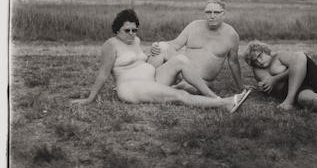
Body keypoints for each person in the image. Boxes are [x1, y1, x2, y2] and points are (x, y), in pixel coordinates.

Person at [71, 9, 251, 113]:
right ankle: (225, 103)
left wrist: (152, 53)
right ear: (117, 30)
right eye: (127, 31)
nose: (132, 34)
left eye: (135, 30)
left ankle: (212, 96)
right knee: (180, 96)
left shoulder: (135, 40)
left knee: (181, 59)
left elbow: (141, 61)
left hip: (152, 78)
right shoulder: (110, 45)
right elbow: (103, 74)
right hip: (133, 87)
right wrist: (89, 99)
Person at [150, 0, 244, 96]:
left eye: (216, 12)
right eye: (208, 12)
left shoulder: (231, 35)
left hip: (201, 80)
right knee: (161, 47)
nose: (212, 16)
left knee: (187, 87)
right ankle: (146, 79)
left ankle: (164, 89)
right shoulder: (194, 26)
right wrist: (156, 45)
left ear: (223, 14)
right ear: (204, 13)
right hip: (181, 71)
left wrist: (240, 86)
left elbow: (233, 62)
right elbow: (175, 44)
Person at [243, 40, 317, 112]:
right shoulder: (257, 70)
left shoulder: (279, 56)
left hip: (310, 78)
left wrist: (275, 79)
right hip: (300, 89)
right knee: (305, 99)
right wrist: (260, 88)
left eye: (259, 56)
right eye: (254, 61)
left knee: (299, 56)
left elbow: (299, 63)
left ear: (265, 51)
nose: (259, 61)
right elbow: (269, 86)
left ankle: (289, 102)